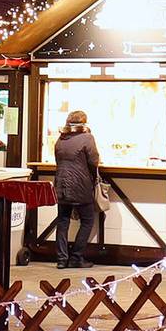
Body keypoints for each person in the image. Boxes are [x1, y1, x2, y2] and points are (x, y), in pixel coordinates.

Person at [48, 111, 101, 268]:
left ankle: (61, 259)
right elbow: (94, 161)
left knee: (63, 222)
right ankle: (76, 257)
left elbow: (59, 160)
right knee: (87, 221)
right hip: (81, 185)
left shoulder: (60, 139)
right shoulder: (87, 138)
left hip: (61, 185)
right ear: (84, 123)